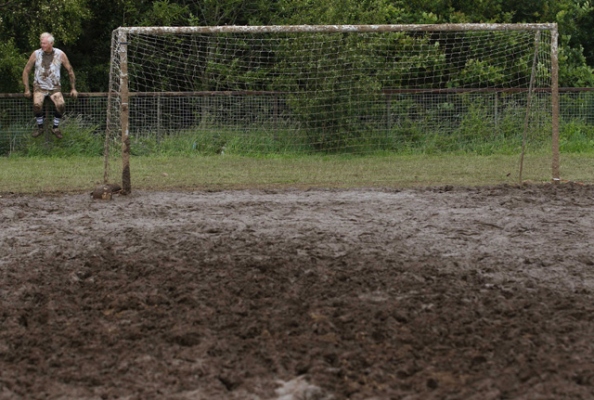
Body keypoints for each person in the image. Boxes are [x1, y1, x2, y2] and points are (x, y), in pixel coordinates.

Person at [22, 32, 78, 139]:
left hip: (54, 87)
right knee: (37, 105)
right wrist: (27, 89)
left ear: (51, 43)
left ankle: (55, 127)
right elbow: (26, 71)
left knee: (61, 105)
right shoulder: (36, 54)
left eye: (44, 43)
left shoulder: (60, 54)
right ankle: (40, 127)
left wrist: (73, 88)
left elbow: (70, 70)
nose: (42, 45)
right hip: (39, 86)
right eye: (41, 43)